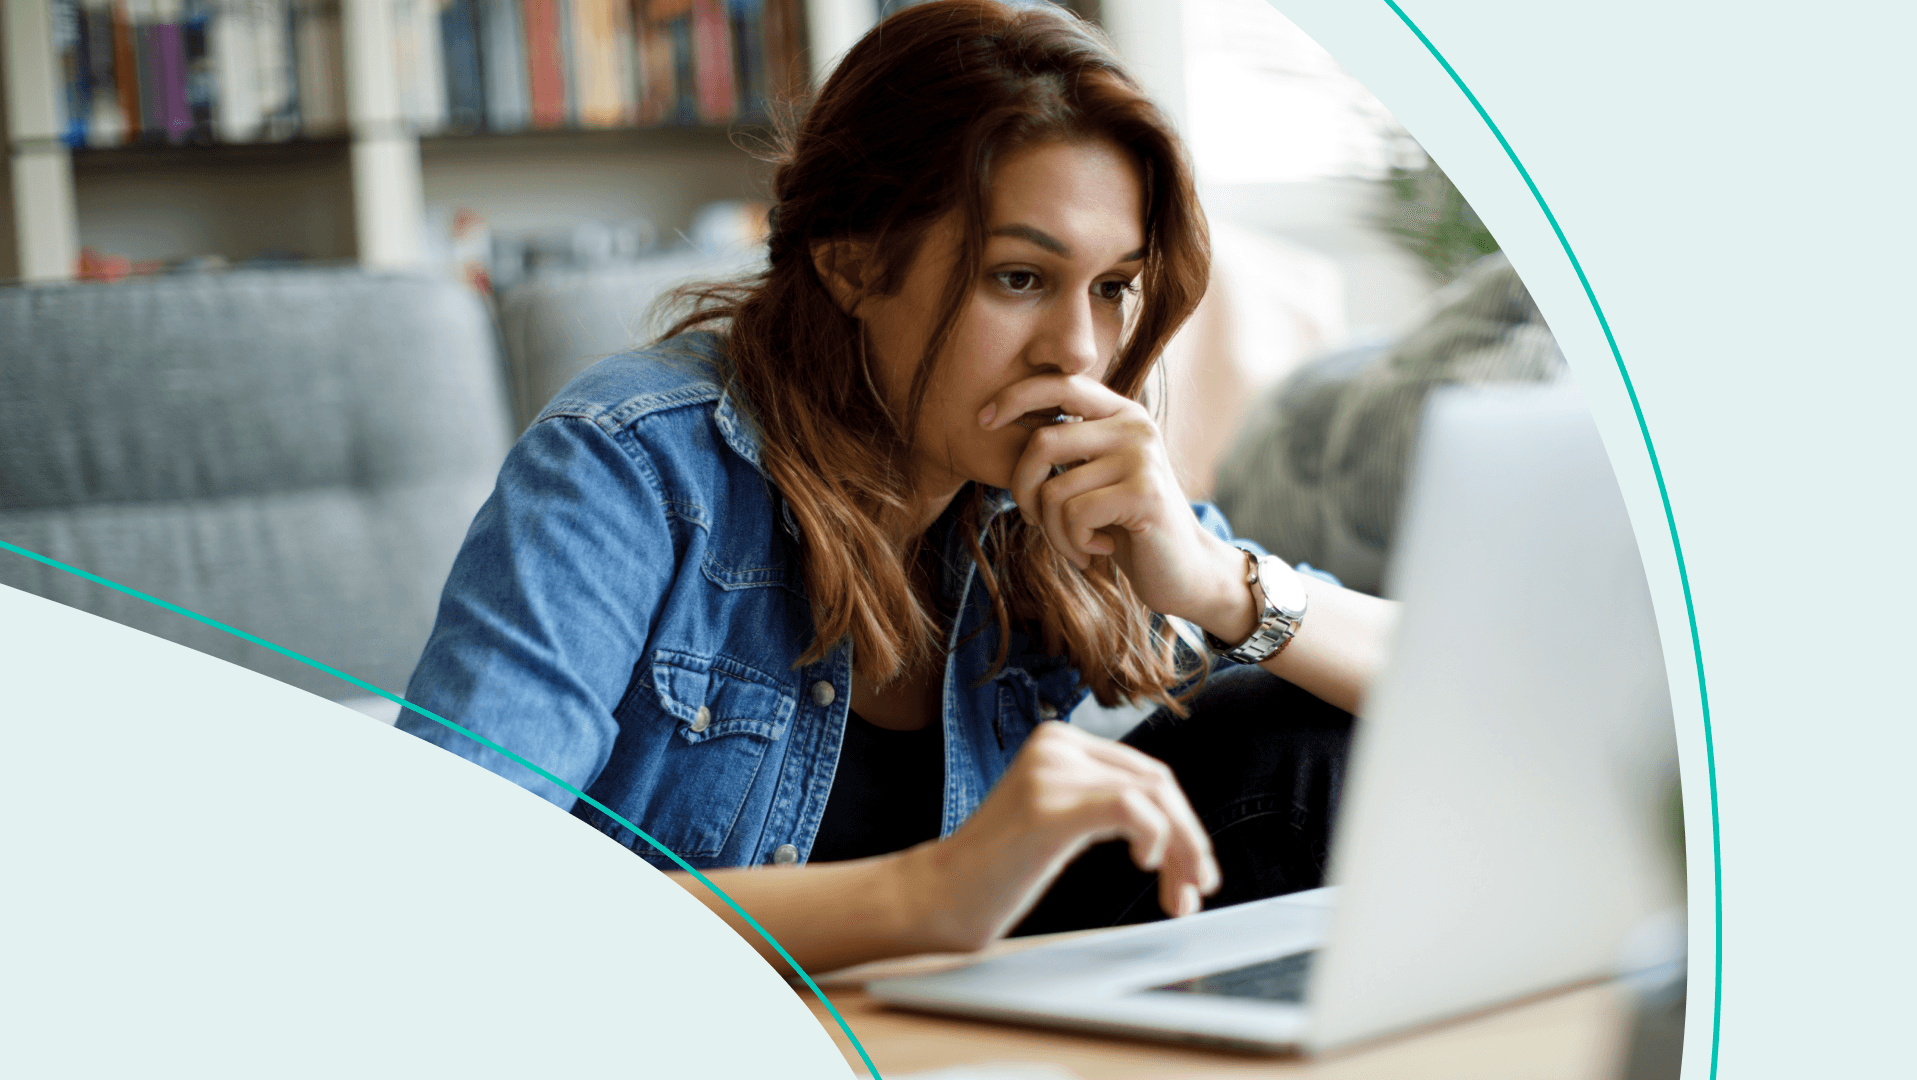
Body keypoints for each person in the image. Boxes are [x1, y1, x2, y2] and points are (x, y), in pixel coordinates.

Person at [398, 0, 1397, 976]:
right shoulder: (631, 464)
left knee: (1302, 735)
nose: (1080, 351)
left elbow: (1456, 693)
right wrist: (934, 892)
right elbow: (458, 897)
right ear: (853, 265)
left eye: (1112, 287)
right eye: (1018, 278)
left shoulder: (1044, 489)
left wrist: (1215, 580)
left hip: (951, 1037)